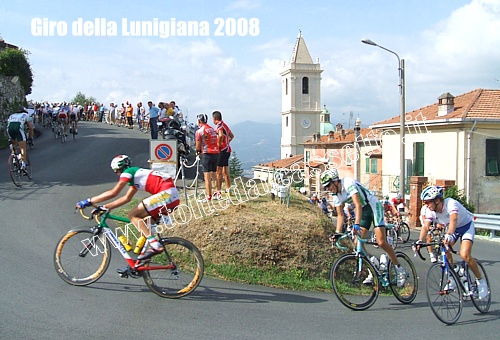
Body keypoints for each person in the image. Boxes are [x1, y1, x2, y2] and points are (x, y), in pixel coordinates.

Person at [76, 155, 180, 261]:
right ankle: (140, 263)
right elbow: (126, 198)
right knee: (143, 225)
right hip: (172, 197)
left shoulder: (128, 172)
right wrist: (104, 207)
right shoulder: (136, 175)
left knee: (132, 215)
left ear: (119, 169)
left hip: (166, 195)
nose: (118, 174)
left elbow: (113, 193)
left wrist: (88, 201)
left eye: (116, 172)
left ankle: (155, 245)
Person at [322, 169, 407, 286]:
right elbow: (340, 215)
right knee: (357, 243)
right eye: (326, 187)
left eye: (329, 185)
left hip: (373, 206)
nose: (328, 189)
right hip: (364, 211)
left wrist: (356, 224)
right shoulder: (336, 194)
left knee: (381, 242)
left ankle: (399, 268)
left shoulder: (348, 183)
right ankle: (373, 264)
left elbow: (357, 205)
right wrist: (337, 233)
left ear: (336, 181)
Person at [415, 186, 488, 299]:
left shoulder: (450, 203)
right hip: (452, 228)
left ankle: (481, 282)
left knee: (465, 254)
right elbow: (426, 226)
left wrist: (449, 234)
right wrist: (420, 241)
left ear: (437, 200)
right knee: (444, 248)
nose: (426, 205)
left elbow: (454, 219)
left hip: (465, 226)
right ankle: (453, 276)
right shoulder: (431, 211)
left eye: (428, 202)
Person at [195, 113, 219, 201]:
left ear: (199, 121)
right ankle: (218, 192)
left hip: (206, 153)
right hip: (215, 152)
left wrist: (198, 152)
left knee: (207, 176)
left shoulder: (199, 131)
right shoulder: (212, 129)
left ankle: (209, 196)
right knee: (214, 174)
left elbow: (198, 145)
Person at [212, 110, 234, 198]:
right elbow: (232, 135)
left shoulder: (219, 126)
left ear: (214, 118)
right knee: (226, 171)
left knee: (219, 172)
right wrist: (227, 142)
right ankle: (228, 189)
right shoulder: (225, 125)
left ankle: (218, 191)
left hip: (222, 150)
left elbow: (220, 135)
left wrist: (219, 144)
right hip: (227, 150)